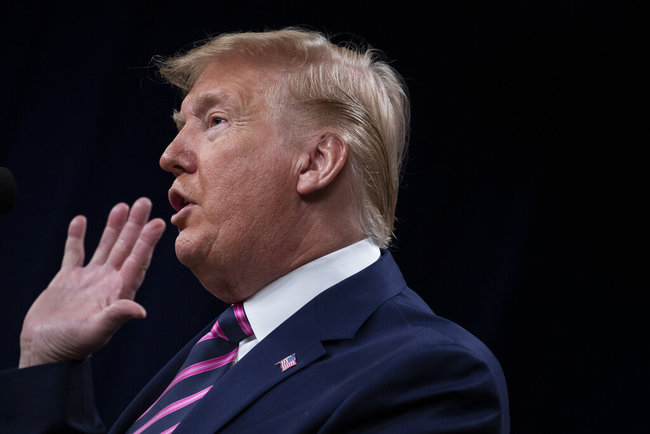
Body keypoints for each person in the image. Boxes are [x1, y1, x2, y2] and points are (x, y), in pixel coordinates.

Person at [0, 28, 509, 433]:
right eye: (179, 125)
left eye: (215, 120)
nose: (170, 155)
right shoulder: (221, 350)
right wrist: (47, 365)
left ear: (315, 162)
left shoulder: (430, 374)